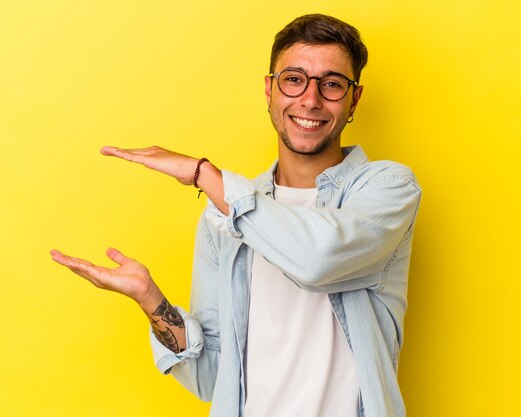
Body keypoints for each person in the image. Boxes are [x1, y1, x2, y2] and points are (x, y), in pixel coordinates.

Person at [51, 14, 421, 417]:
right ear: (269, 89)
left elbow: (319, 258)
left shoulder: (387, 189)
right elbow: (209, 376)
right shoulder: (221, 218)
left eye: (331, 84)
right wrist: (151, 299)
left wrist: (206, 175)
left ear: (354, 99)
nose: (311, 100)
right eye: (294, 79)